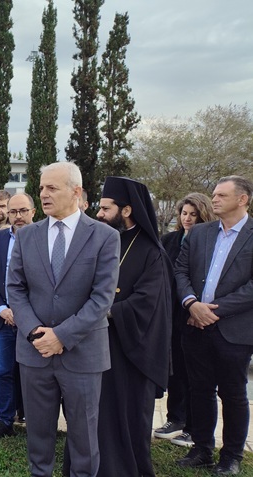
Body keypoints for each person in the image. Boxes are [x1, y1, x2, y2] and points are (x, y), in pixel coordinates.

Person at [7, 162, 119, 476]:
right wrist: (34, 333)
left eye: (52, 188)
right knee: (38, 439)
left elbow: (102, 297)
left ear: (76, 191)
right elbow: (15, 287)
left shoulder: (104, 237)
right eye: (41, 187)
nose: (43, 194)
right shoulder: (27, 235)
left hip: (83, 355)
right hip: (35, 353)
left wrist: (62, 336)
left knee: (84, 440)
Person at [93, 176, 173, 477]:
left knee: (126, 416)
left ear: (126, 210)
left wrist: (101, 312)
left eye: (105, 208)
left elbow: (148, 302)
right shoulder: (105, 241)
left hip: (132, 349)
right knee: (98, 416)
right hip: (100, 343)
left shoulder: (153, 253)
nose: (99, 214)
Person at [174, 176, 253, 475]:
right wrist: (192, 303)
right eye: (214, 194)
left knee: (233, 394)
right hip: (194, 325)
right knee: (199, 390)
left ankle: (231, 456)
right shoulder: (200, 233)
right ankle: (202, 449)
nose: (214, 199)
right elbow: (179, 270)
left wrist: (213, 310)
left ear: (242, 199)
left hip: (234, 331)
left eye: (221, 195)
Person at [155, 192, 215, 447]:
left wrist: (194, 309)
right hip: (170, 313)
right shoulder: (169, 239)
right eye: (184, 213)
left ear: (203, 216)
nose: (187, 218)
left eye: (193, 214)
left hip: (194, 313)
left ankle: (193, 426)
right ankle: (175, 418)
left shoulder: (209, 241)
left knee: (195, 375)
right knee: (174, 370)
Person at [0, 193, 34, 439]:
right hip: (1, 319)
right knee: (2, 372)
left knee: (33, 373)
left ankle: (35, 421)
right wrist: (2, 309)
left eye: (23, 211)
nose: (18, 216)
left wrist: (23, 314)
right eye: (13, 212)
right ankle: (4, 420)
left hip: (33, 321)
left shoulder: (42, 237)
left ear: (33, 211)